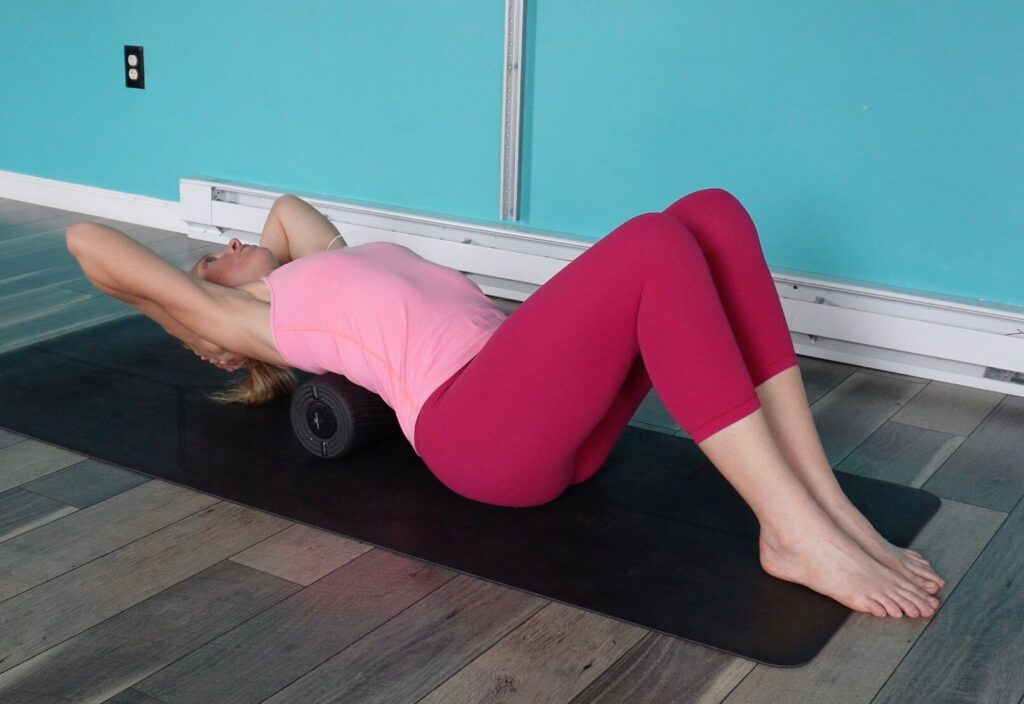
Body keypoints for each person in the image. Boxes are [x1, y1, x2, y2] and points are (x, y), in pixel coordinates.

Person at [65, 189, 946, 619]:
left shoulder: (317, 264)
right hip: (474, 430)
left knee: (712, 214)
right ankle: (789, 529)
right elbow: (86, 239)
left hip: (535, 405)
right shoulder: (253, 320)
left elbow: (289, 214)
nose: (225, 245)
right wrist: (194, 319)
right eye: (209, 259)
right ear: (212, 321)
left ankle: (823, 502)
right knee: (649, 246)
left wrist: (256, 254)